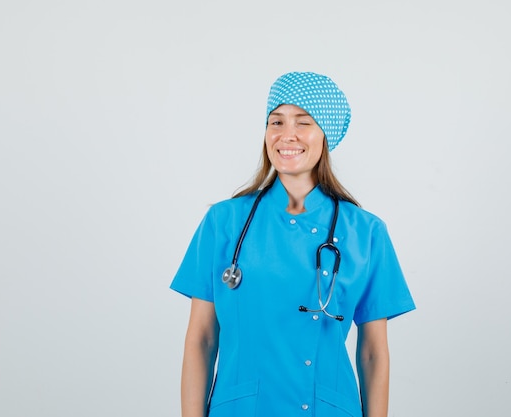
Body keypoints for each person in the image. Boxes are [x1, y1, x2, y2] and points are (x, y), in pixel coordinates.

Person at [170, 71, 416, 417]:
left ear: (325, 135)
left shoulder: (366, 232)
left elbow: (373, 352)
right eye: (276, 122)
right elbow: (202, 339)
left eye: (303, 123)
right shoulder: (224, 222)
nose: (287, 135)